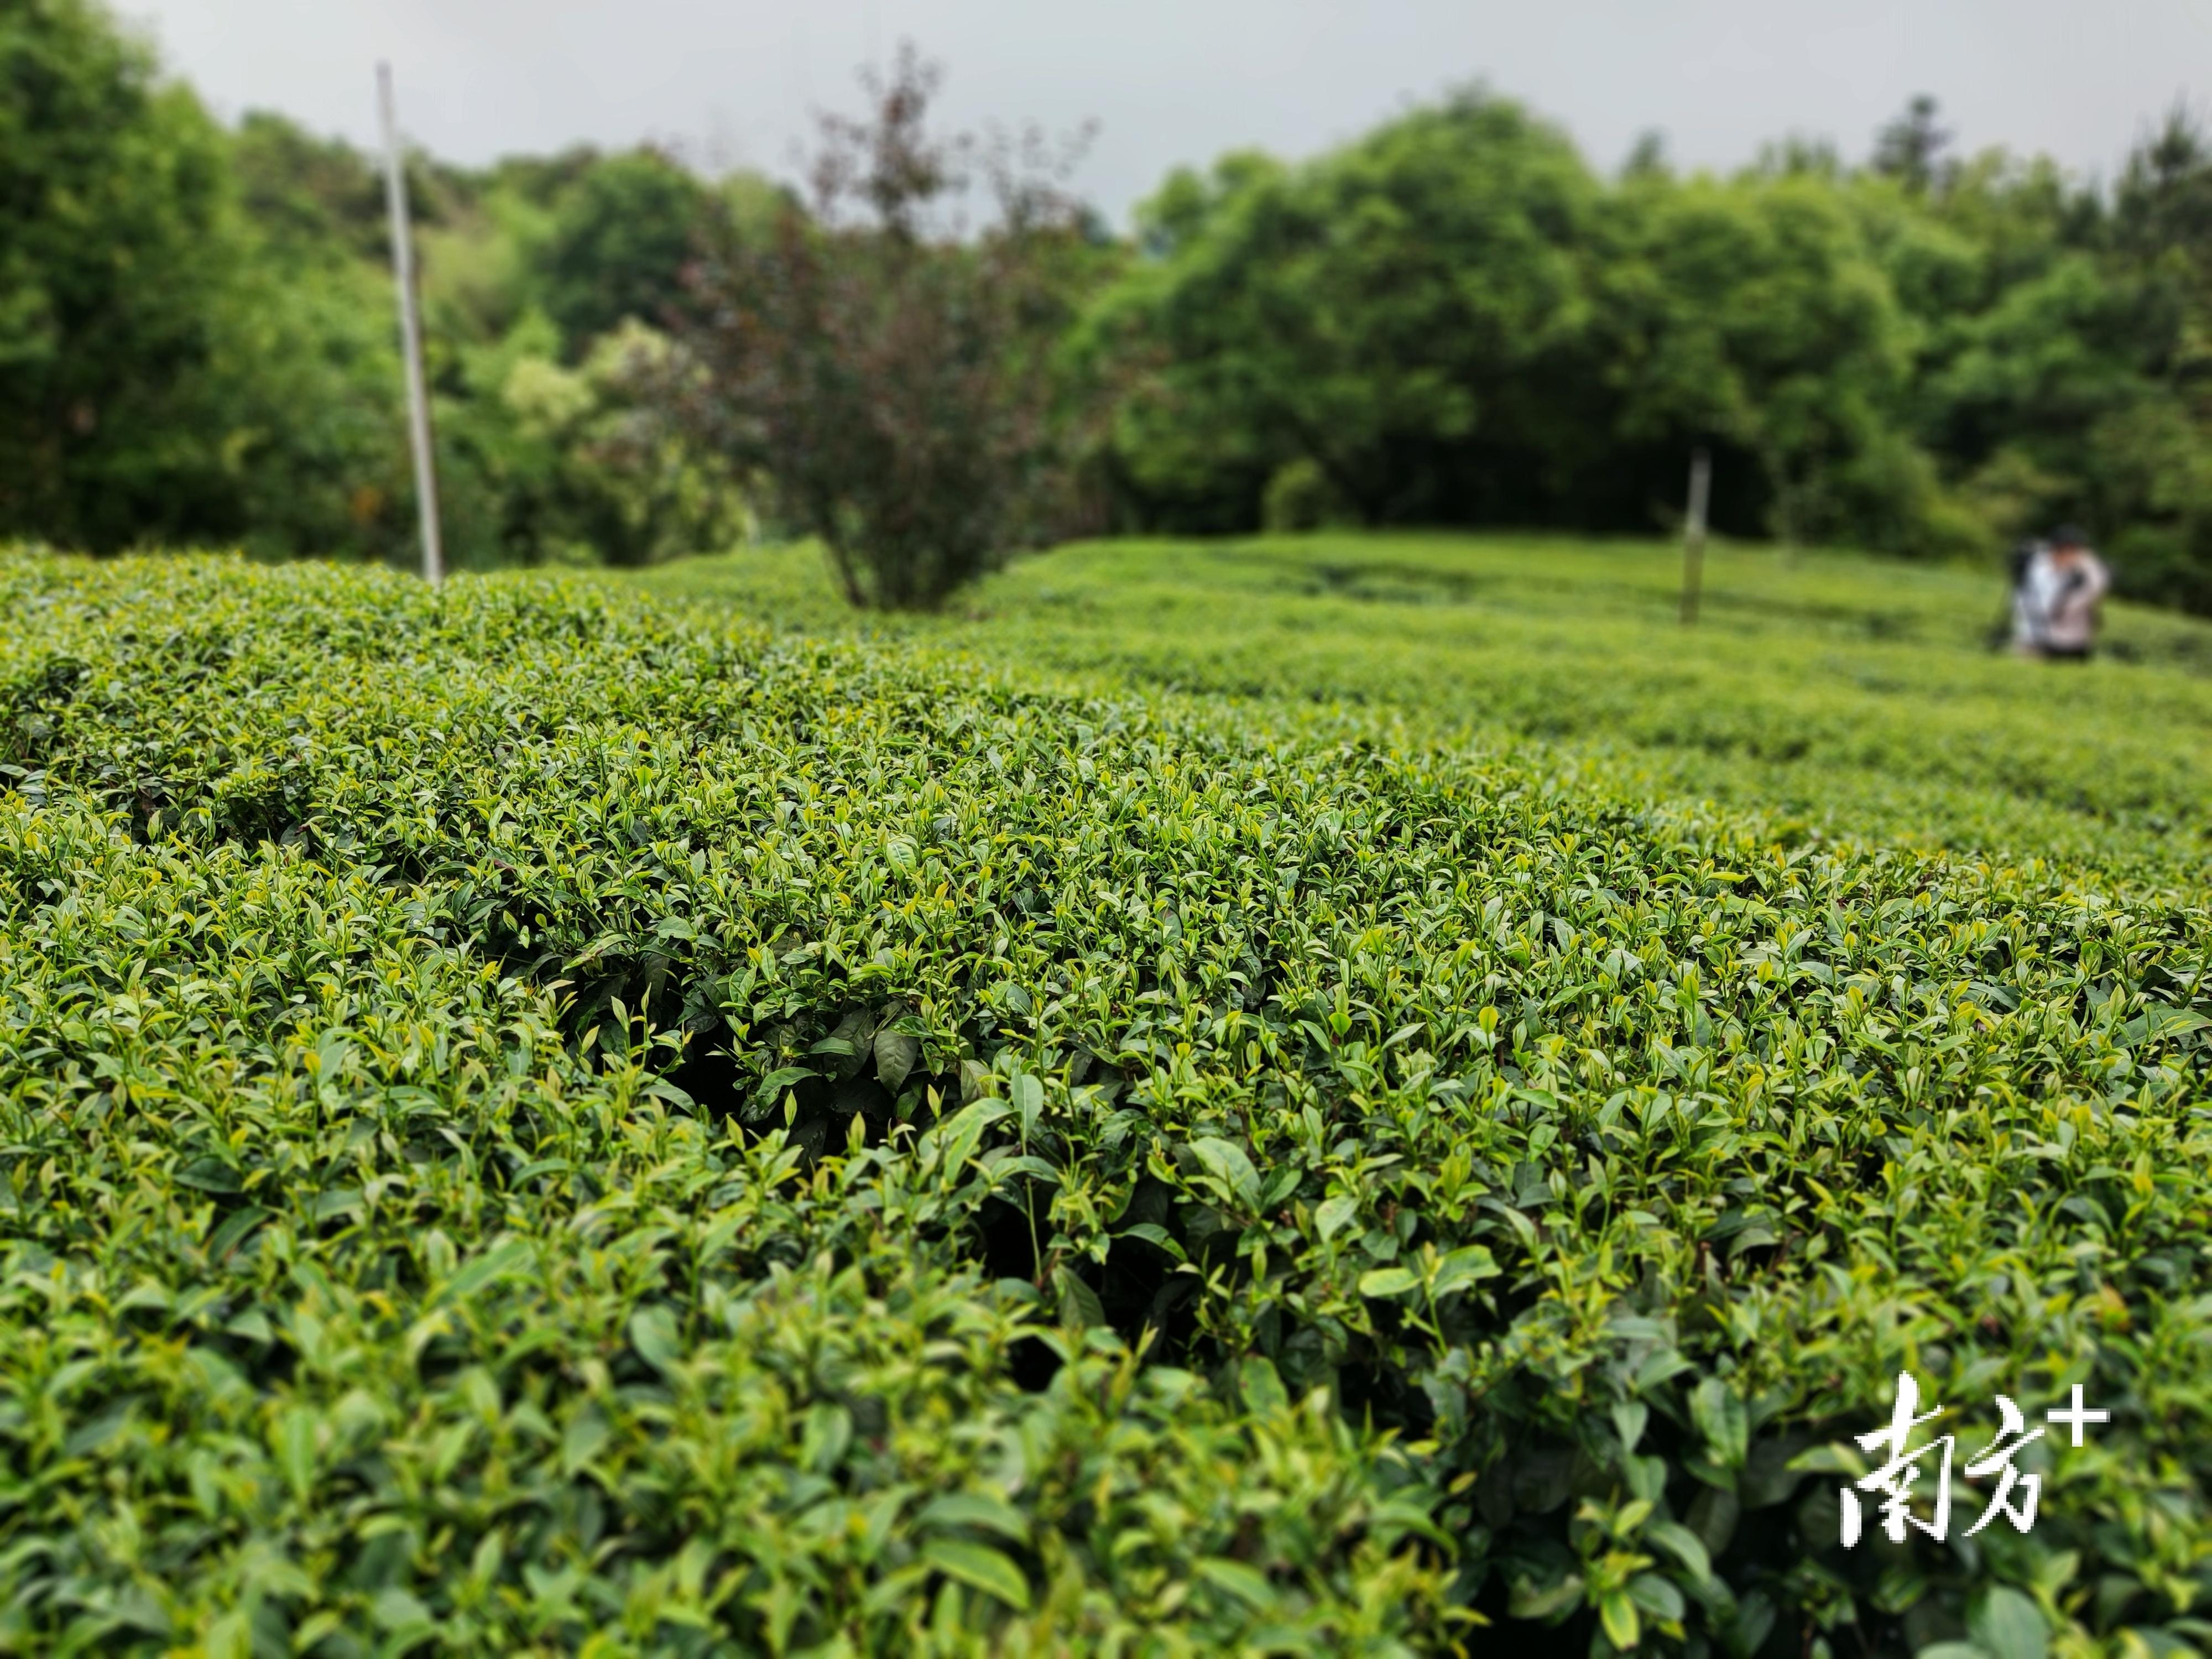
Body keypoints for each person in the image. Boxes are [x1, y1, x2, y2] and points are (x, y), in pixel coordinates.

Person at [2010, 524, 2110, 660]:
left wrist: (2088, 565)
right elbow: (2041, 609)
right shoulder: (2038, 570)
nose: (2075, 558)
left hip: (2070, 643)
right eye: (2071, 552)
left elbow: (2098, 585)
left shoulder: (2076, 573)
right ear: (2058, 550)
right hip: (2036, 640)